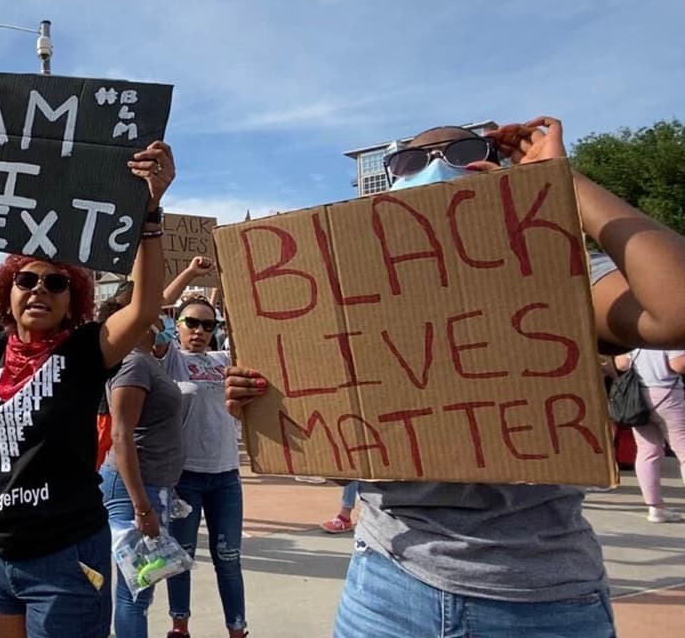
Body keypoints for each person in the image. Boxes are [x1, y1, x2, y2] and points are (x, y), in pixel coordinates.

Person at [224, 118, 685, 637]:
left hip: (541, 600)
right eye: (411, 161)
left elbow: (676, 308)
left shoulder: (559, 277)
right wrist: (281, 413)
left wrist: (561, 181)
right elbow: (346, 468)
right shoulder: (350, 310)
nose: (434, 169)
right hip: (387, 590)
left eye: (460, 153)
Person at [0, 141, 176, 638]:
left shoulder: (87, 350)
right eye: (27, 280)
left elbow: (146, 306)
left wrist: (148, 211)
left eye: (55, 283)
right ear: (8, 291)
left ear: (74, 300)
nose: (40, 290)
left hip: (64, 555)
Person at [158, 258, 247, 638]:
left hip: (226, 477)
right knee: (181, 560)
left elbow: (252, 325)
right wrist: (191, 275)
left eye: (207, 325)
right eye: (191, 323)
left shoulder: (226, 359)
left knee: (228, 559)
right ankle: (180, 626)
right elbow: (147, 311)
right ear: (176, 325)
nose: (199, 331)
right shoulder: (169, 360)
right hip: (185, 479)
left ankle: (238, 629)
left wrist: (228, 280)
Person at [95, 295, 184, 638]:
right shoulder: (134, 364)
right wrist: (142, 507)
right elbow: (121, 435)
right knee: (137, 590)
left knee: (140, 586)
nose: (164, 322)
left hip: (148, 485)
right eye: (157, 315)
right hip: (134, 489)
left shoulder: (144, 362)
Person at [613, 349, 685, 522]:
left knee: (647, 451)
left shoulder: (634, 337)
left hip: (638, 396)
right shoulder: (667, 335)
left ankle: (655, 507)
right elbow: (678, 366)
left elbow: (621, 364)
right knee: (683, 450)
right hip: (668, 394)